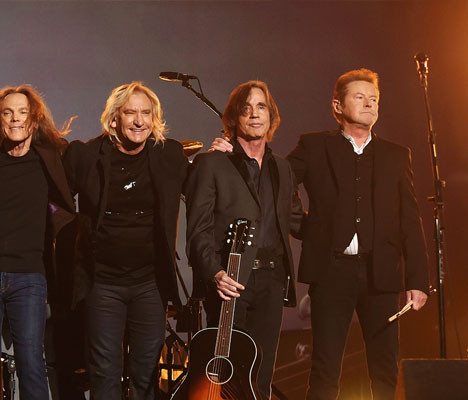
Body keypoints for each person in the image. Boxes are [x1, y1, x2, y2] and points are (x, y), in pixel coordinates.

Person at [290, 68, 429, 400]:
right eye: (360, 97)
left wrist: (418, 280)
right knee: (325, 369)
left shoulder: (397, 155)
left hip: (381, 274)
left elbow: (410, 220)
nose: (369, 104)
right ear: (337, 106)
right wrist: (308, 228)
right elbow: (277, 182)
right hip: (331, 270)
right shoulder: (314, 145)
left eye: (374, 99)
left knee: (385, 368)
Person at [63, 82, 188, 399]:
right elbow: (55, 200)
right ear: (114, 117)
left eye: (146, 113)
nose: (139, 121)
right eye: (131, 113)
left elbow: (202, 188)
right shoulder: (87, 156)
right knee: (104, 371)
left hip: (149, 283)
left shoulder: (169, 155)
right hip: (103, 283)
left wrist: (223, 154)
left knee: (146, 372)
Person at [0, 85, 75, 400]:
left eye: (22, 112)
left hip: (28, 274)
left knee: (32, 360)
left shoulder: (53, 156)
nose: (15, 119)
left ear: (34, 119)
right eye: (7, 113)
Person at [185, 80, 303, 399]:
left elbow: (297, 222)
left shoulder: (282, 168)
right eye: (246, 108)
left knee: (260, 376)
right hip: (230, 279)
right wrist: (214, 272)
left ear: (271, 116)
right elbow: (197, 229)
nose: (254, 114)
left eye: (261, 106)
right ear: (234, 118)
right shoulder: (212, 163)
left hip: (272, 280)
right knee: (228, 376)